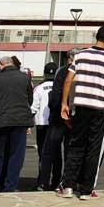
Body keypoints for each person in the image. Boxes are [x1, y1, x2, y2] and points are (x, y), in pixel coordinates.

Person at [58, 26, 104, 200]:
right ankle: (86, 190)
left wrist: (65, 103)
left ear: (96, 37)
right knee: (94, 148)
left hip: (80, 105)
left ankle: (68, 186)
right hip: (100, 108)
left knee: (76, 146)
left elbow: (68, 80)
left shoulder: (80, 55)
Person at [0, 55, 34, 193]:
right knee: (16, 155)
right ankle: (10, 185)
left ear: (1, 64)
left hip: (0, 120)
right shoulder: (25, 78)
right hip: (20, 121)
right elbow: (30, 100)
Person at [38, 51, 74, 191]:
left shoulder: (62, 72)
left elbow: (55, 94)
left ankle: (44, 182)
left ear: (68, 59)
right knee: (70, 152)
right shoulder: (82, 72)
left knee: (50, 151)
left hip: (58, 116)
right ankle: (67, 181)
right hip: (74, 117)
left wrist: (55, 109)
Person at [31, 62, 56, 184]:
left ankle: (42, 181)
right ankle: (56, 180)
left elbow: (33, 107)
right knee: (56, 155)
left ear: (45, 73)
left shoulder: (39, 88)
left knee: (43, 154)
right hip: (56, 124)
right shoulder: (59, 86)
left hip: (42, 124)